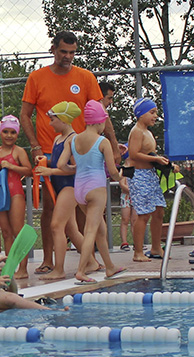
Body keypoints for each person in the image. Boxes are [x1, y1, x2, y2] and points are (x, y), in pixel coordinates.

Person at [20, 31, 106, 275]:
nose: (67, 56)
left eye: (72, 52)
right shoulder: (37, 78)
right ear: (53, 50)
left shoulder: (85, 77)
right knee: (51, 208)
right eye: (63, 52)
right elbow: (25, 115)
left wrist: (109, 143)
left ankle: (88, 259)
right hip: (49, 151)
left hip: (82, 152)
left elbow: (101, 115)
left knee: (82, 207)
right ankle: (49, 260)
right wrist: (35, 145)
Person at [57, 100, 125, 284]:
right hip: (96, 188)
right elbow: (112, 171)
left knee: (100, 229)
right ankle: (81, 271)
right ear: (99, 122)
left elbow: (61, 165)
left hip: (79, 189)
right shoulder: (103, 142)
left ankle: (109, 267)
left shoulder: (73, 140)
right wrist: (121, 179)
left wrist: (76, 168)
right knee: (91, 230)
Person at [34, 101, 84, 280]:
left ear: (63, 119)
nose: (50, 124)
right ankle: (91, 262)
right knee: (72, 230)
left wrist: (51, 171)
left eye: (52, 119)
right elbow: (57, 163)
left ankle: (59, 269)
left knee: (56, 226)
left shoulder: (73, 140)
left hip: (69, 187)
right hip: (59, 186)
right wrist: (44, 162)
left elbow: (76, 168)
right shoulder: (57, 139)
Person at [126, 98, 178, 262]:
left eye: (156, 112)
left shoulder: (147, 132)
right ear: (141, 114)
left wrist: (167, 164)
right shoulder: (137, 131)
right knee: (143, 214)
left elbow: (151, 155)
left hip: (150, 175)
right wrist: (156, 160)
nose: (155, 116)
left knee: (159, 211)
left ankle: (156, 248)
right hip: (139, 175)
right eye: (152, 112)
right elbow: (133, 154)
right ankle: (138, 252)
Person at [0, 115, 33, 279]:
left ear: (17, 134)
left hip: (15, 193)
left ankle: (23, 268)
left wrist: (11, 166)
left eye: (13, 132)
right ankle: (10, 267)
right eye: (6, 131)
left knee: (18, 232)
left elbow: (29, 171)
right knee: (6, 233)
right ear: (0, 132)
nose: (9, 135)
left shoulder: (19, 151)